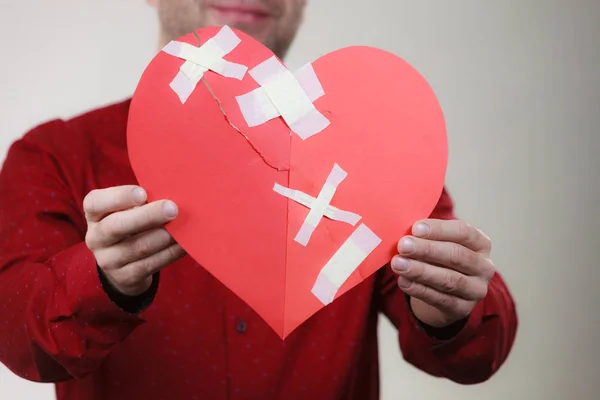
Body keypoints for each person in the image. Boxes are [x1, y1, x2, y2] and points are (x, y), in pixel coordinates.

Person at [0, 1, 518, 399]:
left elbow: (477, 353)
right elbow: (18, 336)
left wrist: (449, 310)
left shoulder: (372, 161)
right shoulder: (55, 156)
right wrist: (103, 283)